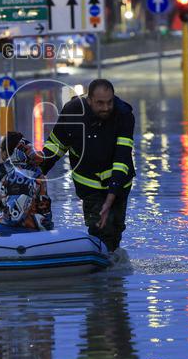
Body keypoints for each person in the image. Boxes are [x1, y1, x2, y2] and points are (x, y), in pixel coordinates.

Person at [39, 79, 135, 252]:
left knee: (115, 230)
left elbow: (122, 157)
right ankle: (102, 263)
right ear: (89, 100)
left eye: (109, 102)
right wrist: (38, 172)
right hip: (89, 185)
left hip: (119, 184)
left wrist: (111, 196)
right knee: (101, 230)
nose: (106, 108)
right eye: (100, 103)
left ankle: (113, 264)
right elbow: (56, 146)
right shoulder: (73, 112)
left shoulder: (124, 114)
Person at [0, 131, 53, 234]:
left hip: (33, 227)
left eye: (0, 148)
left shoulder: (22, 176)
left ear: (6, 153)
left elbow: (14, 216)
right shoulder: (16, 172)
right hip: (20, 223)